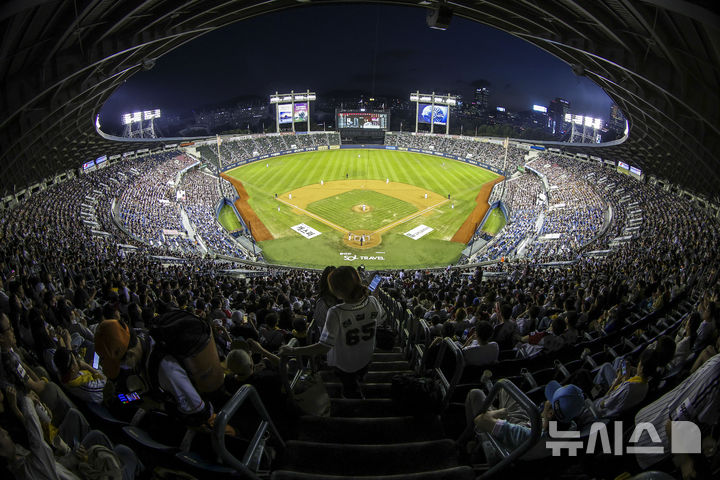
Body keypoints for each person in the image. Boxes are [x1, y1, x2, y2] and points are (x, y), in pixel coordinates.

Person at [280, 266, 386, 398]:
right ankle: (360, 383)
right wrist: (373, 293)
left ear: (336, 291)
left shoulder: (335, 312)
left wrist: (293, 351)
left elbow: (324, 347)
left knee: (349, 386)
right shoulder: (373, 302)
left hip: (345, 364)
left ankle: (352, 397)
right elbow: (379, 320)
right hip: (367, 356)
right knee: (361, 374)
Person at [465, 380, 585, 459]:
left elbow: (481, 420)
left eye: (549, 400)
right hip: (533, 424)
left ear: (550, 413)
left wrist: (500, 412)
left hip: (508, 444)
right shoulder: (570, 426)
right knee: (505, 388)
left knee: (475, 394)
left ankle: (473, 441)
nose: (546, 401)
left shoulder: (523, 436)